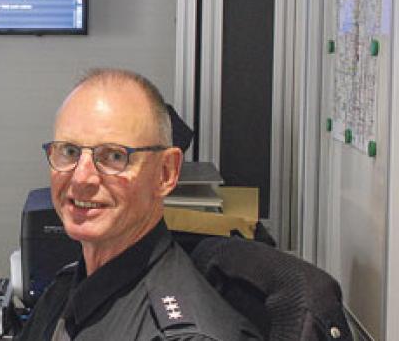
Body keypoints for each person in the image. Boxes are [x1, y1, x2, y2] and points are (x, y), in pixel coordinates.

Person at [16, 68, 260, 340]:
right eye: (70, 151)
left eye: (114, 156)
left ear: (166, 173)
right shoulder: (66, 288)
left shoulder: (177, 335)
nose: (81, 178)